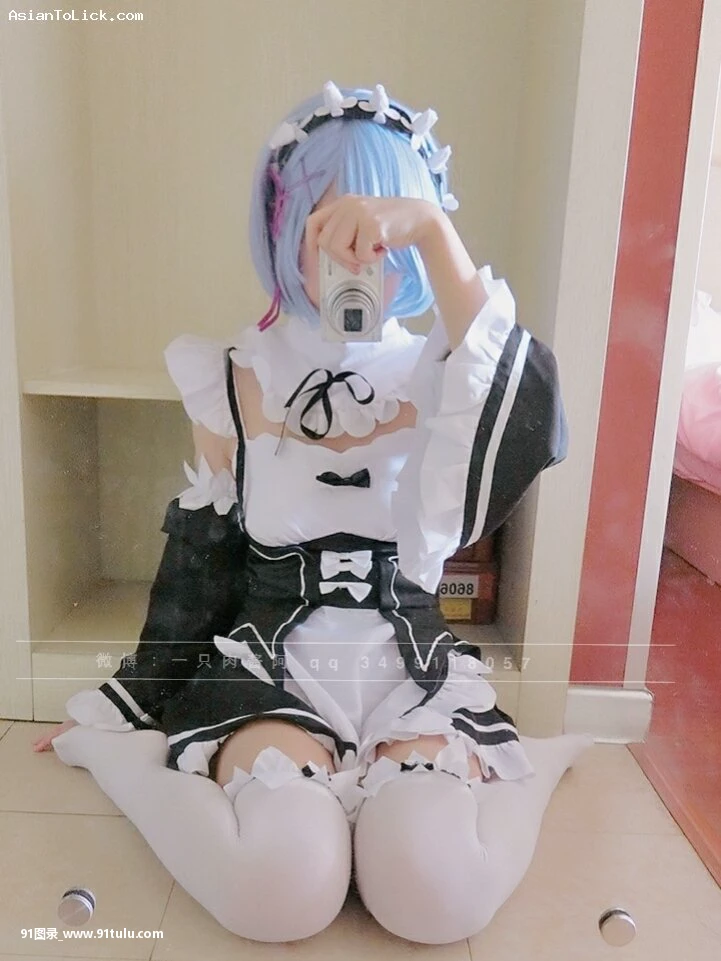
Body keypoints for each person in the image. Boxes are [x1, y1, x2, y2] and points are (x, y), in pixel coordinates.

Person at [34, 81, 593, 945]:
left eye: (379, 224)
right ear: (282, 226)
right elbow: (200, 558)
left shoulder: (450, 371)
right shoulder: (232, 375)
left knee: (435, 894)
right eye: (327, 225)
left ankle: (535, 768)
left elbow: (528, 415)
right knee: (280, 891)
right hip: (274, 665)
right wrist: (131, 698)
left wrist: (432, 232)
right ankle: (123, 763)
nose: (357, 251)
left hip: (408, 670)